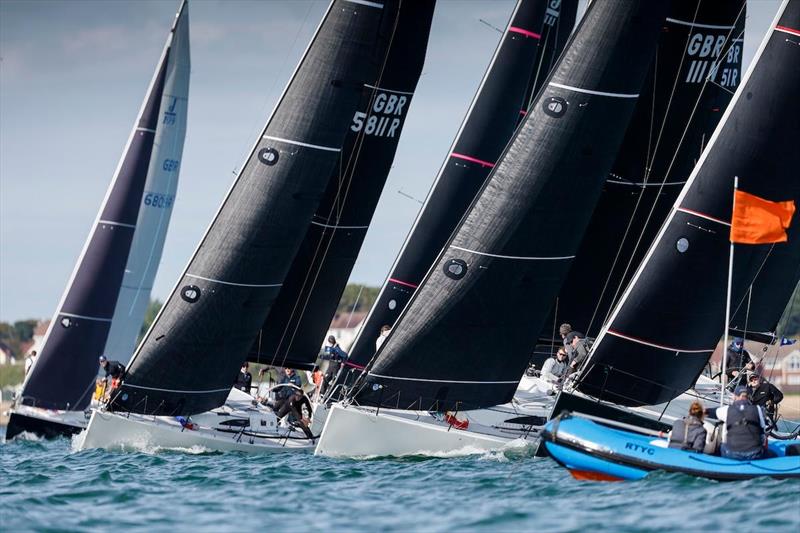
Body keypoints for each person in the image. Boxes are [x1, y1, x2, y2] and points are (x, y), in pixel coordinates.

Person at [706, 385, 768, 460]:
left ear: (735, 396)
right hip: (754, 454)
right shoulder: (758, 409)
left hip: (733, 454)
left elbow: (710, 412)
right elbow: (763, 433)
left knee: (722, 446)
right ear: (748, 397)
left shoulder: (727, 410)